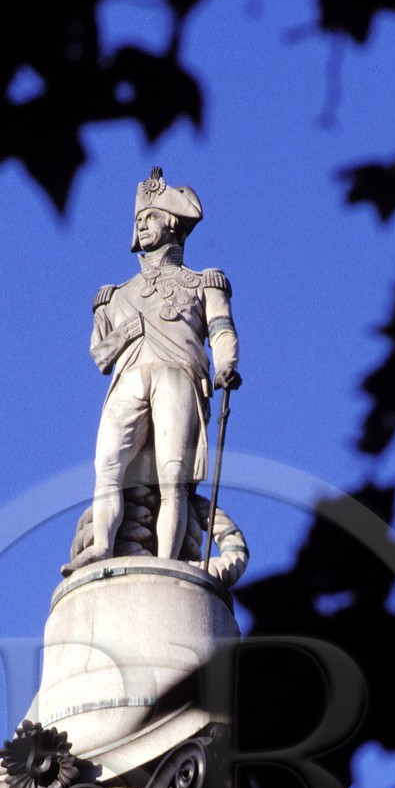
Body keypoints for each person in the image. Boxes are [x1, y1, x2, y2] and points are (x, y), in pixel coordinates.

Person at [86, 168, 241, 566]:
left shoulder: (204, 283)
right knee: (108, 469)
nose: (142, 224)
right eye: (139, 218)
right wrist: (128, 331)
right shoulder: (114, 296)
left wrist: (226, 366)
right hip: (128, 378)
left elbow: (221, 330)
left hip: (179, 376)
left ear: (172, 222)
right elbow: (101, 356)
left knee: (173, 477)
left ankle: (168, 562)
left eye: (150, 216)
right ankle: (102, 546)